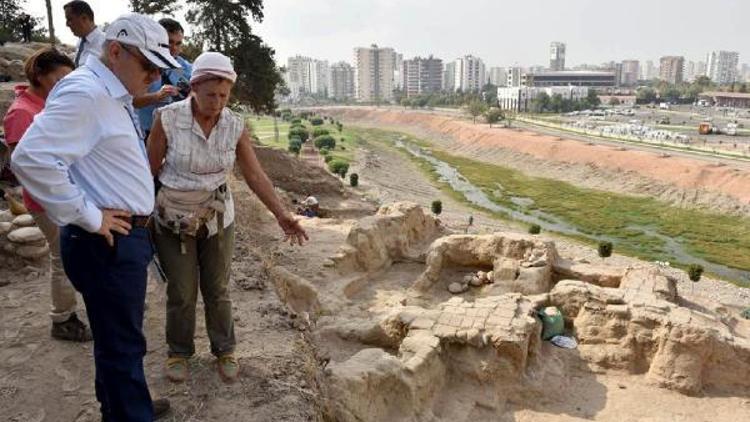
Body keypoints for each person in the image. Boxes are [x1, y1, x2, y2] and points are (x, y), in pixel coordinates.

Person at [11, 13, 180, 422]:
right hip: (107, 242)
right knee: (122, 344)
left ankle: (124, 403)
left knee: (117, 341)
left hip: (119, 240)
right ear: (116, 51)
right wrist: (88, 215)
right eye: (149, 66)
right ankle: (129, 409)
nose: (156, 77)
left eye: (161, 68)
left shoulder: (109, 91)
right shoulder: (86, 93)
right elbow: (30, 158)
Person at [146, 51, 308, 384]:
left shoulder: (234, 125)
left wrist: (281, 214)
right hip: (173, 217)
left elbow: (253, 173)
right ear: (193, 87)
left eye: (224, 95)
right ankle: (179, 351)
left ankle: (224, 349)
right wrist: (138, 217)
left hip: (218, 218)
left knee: (217, 288)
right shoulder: (168, 118)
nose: (217, 102)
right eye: (210, 95)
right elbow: (148, 170)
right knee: (181, 289)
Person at [2, 48, 92, 342]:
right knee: (62, 259)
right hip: (48, 202)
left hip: (66, 196)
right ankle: (62, 318)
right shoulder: (21, 113)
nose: (65, 84)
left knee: (72, 257)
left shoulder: (48, 104)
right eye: (60, 78)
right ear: (39, 75)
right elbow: (26, 167)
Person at [134, 18, 192, 138]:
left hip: (177, 134)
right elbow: (130, 101)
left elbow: (197, 95)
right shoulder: (139, 66)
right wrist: (156, 96)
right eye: (169, 42)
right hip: (144, 133)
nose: (174, 48)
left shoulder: (187, 68)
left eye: (178, 43)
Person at [64, 1, 105, 67]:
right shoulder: (81, 42)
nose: (67, 24)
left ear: (84, 18)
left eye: (70, 19)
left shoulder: (105, 44)